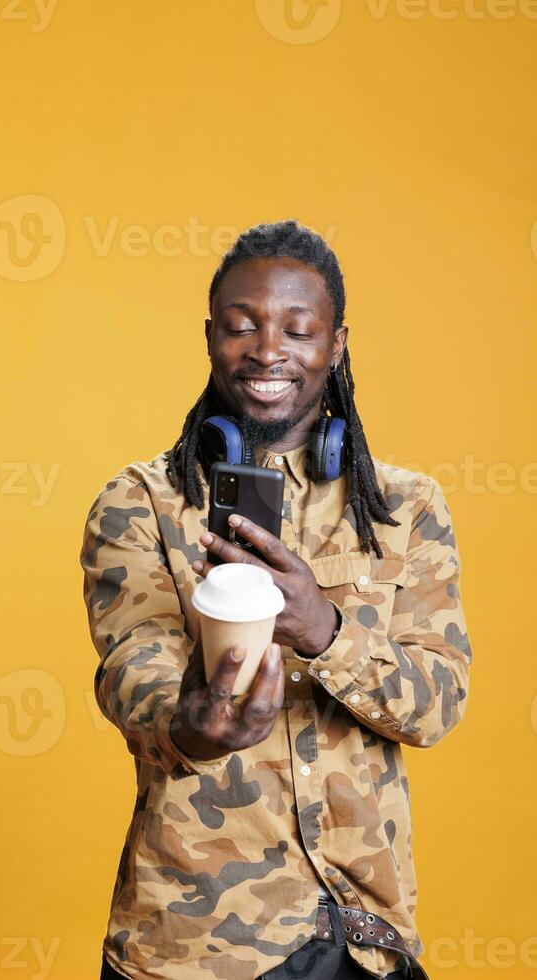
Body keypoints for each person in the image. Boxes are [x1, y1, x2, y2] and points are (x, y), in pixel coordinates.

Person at [79, 220, 472, 980]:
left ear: (336, 344)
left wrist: (324, 629)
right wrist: (194, 722)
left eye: (298, 329)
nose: (267, 351)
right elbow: (134, 673)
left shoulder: (407, 506)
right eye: (240, 327)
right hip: (194, 949)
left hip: (367, 940)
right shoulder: (140, 501)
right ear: (209, 337)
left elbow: (439, 704)